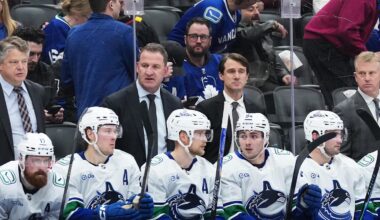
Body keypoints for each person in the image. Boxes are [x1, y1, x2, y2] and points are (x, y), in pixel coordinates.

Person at [55, 106, 154, 219]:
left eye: (115, 131)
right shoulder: (66, 168)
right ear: (90, 134)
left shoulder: (127, 160)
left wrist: (140, 205)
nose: (114, 137)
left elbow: (133, 201)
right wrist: (99, 215)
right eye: (107, 131)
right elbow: (68, 214)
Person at [220, 113, 315, 219]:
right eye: (243, 136)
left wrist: (303, 205)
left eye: (254, 136)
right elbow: (234, 214)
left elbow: (294, 208)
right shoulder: (226, 165)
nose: (247, 142)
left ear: (265, 137)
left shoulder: (285, 159)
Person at [102, 43, 182, 167]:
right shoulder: (115, 103)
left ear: (165, 71)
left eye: (155, 67)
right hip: (129, 177)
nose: (149, 72)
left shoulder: (175, 104)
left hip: (165, 178)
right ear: (137, 67)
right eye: (145, 66)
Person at [62, 0, 138, 118]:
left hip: (86, 114)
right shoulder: (125, 32)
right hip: (118, 115)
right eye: (118, 1)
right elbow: (136, 72)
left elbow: (67, 81)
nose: (121, 5)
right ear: (111, 4)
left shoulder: (73, 34)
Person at [144, 108, 224, 219]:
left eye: (206, 133)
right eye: (200, 133)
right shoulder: (155, 169)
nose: (205, 139)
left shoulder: (209, 169)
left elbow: (216, 214)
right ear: (183, 137)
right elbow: (158, 215)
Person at [297, 110, 373, 219]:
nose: (340, 140)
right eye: (333, 134)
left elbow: (364, 209)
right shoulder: (295, 169)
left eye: (341, 134)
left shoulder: (350, 166)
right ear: (315, 136)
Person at [303, 0, 378, 108]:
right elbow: (347, 30)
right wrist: (366, 56)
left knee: (346, 90)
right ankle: (345, 123)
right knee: (344, 92)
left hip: (334, 44)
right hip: (323, 42)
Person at [196, 53, 266, 163]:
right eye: (231, 71)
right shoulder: (206, 108)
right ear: (221, 76)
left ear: (247, 76)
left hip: (250, 170)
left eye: (241, 71)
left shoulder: (256, 110)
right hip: (217, 172)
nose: (237, 76)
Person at [0, 36, 49, 166]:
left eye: (24, 61)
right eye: (14, 62)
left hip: (35, 170)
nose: (21, 67)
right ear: (1, 65)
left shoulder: (37, 91)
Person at [231, 1, 297, 92]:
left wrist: (283, 75)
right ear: (237, 12)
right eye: (250, 10)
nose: (256, 13)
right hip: (252, 82)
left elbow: (271, 58)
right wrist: (272, 24)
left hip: (269, 80)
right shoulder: (233, 31)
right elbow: (246, 35)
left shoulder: (260, 28)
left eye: (257, 9)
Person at [0, 133, 65, 219]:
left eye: (46, 161)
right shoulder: (3, 184)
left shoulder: (58, 187)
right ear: (21, 160)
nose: (42, 167)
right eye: (36, 161)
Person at [333, 51, 380, 161]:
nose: (367, 78)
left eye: (372, 73)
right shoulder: (344, 110)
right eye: (362, 73)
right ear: (355, 76)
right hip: (362, 174)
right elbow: (342, 157)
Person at [13, 27, 65, 124]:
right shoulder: (4, 74)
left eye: (39, 54)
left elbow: (52, 103)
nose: (35, 60)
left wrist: (56, 114)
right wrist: (38, 114)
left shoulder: (46, 71)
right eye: (31, 54)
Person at [168, 0, 257, 53]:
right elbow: (199, 45)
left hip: (212, 57)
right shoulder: (213, 11)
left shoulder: (237, 13)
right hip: (183, 55)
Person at [183, 17, 224, 101]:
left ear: (210, 41)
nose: (198, 41)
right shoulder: (176, 65)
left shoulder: (221, 62)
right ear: (185, 39)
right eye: (193, 36)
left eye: (203, 37)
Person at [42, 0, 92, 64]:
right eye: (90, 17)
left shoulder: (77, 29)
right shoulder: (56, 28)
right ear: (78, 14)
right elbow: (55, 65)